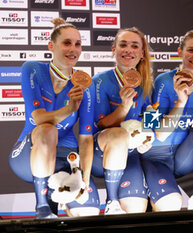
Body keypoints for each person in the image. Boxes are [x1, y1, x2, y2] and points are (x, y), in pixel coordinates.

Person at [9, 18, 100, 218]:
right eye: (67, 43)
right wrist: (69, 108)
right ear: (51, 46)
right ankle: (43, 208)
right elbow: (40, 119)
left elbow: (85, 137)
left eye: (78, 44)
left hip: (66, 156)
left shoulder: (86, 83)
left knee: (88, 211)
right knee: (47, 129)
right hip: (30, 151)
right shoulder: (32, 69)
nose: (73, 49)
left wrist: (83, 178)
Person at [141, 30, 193, 211]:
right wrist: (181, 102)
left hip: (183, 157)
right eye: (191, 50)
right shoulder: (163, 80)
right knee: (169, 204)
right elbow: (157, 131)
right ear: (179, 52)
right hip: (156, 154)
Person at [91, 27, 153, 214]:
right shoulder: (99, 81)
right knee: (118, 135)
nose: (128, 50)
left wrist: (149, 134)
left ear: (142, 54)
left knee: (136, 209)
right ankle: (112, 201)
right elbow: (100, 124)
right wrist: (124, 107)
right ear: (114, 49)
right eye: (123, 44)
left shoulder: (147, 82)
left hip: (131, 153)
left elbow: (152, 112)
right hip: (101, 151)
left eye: (135, 46)